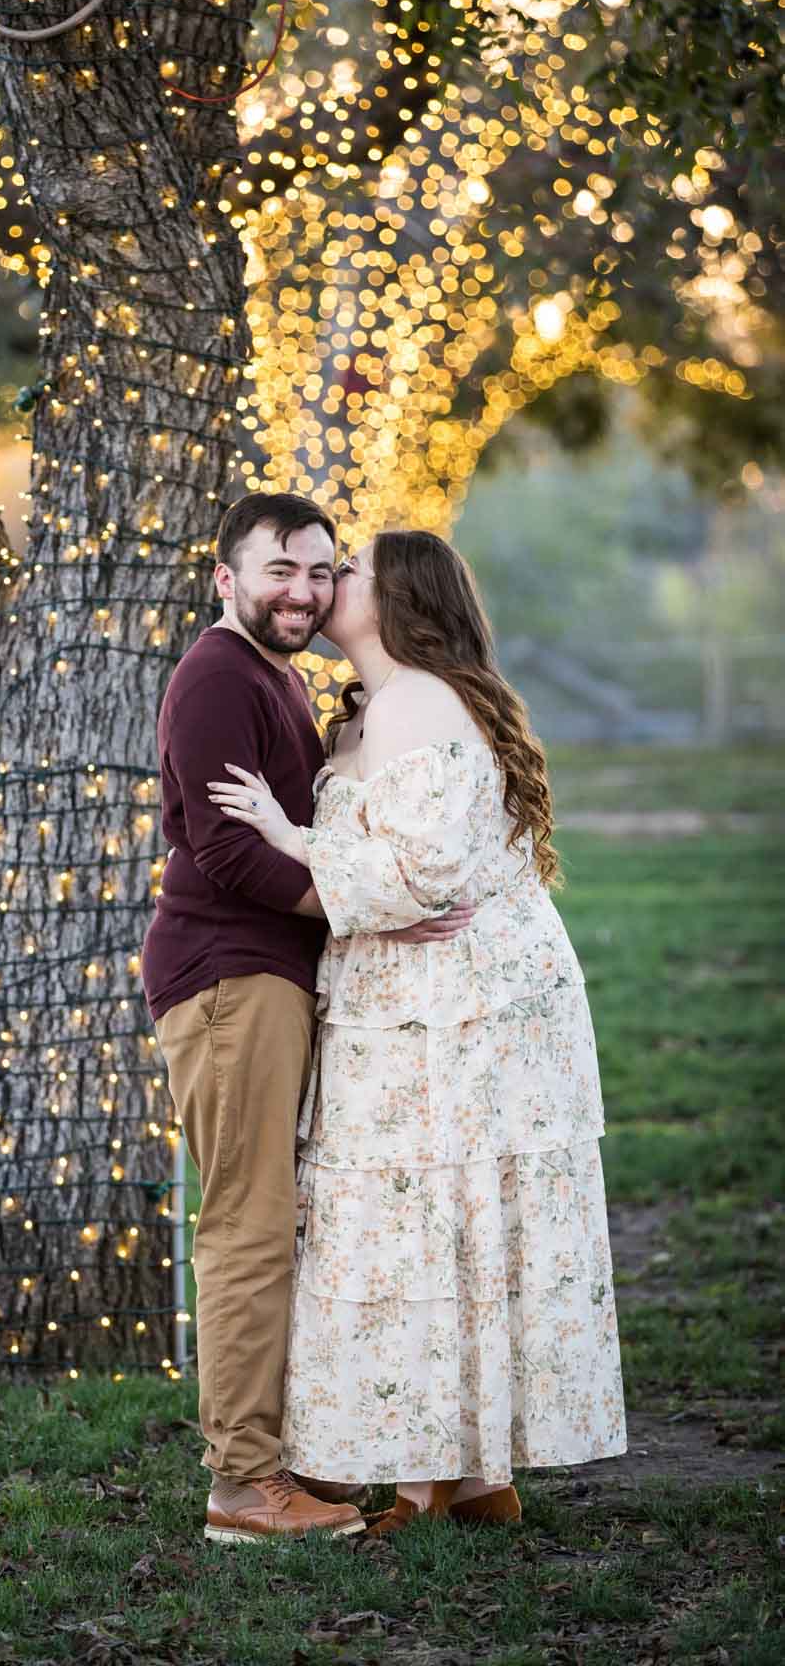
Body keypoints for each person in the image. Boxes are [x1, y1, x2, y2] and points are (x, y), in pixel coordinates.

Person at [208, 529, 627, 1534]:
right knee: (426, 1219)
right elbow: (396, 868)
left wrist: (281, 832)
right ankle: (472, 1474)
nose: (324, 583)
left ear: (396, 596)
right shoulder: (368, 712)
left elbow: (417, 876)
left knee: (432, 1219)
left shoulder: (417, 703)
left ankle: (432, 1479)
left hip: (458, 1010)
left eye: (344, 569)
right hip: (406, 999)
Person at [141, 496, 473, 1545]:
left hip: (274, 976)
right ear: (224, 576)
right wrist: (366, 907)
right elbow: (230, 855)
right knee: (245, 1225)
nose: (304, 590)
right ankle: (244, 1488)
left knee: (276, 1219)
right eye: (280, 569)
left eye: (323, 571)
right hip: (229, 977)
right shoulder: (214, 677)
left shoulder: (272, 674)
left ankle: (291, 1456)